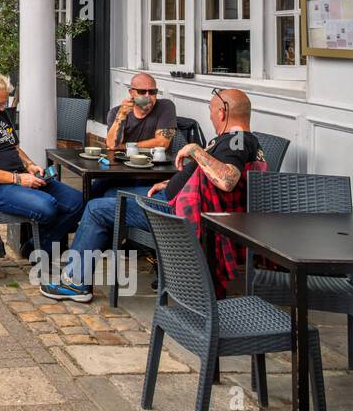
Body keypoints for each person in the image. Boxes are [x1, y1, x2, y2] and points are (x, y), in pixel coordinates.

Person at [44, 87, 266, 302]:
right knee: (110, 192)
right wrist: (171, 183)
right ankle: (110, 255)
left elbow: (227, 180)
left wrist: (194, 149)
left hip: (173, 212)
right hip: (174, 199)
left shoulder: (236, 141)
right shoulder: (243, 140)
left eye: (210, 111)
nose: (210, 117)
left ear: (222, 112)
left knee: (96, 208)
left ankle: (75, 282)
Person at [0, 73, 84, 269]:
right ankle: (38, 249)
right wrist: (17, 179)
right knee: (47, 207)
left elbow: (14, 148)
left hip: (21, 177)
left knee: (77, 202)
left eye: (4, 103)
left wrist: (29, 165)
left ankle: (35, 248)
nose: (3, 108)